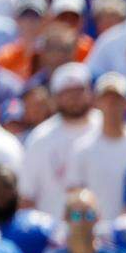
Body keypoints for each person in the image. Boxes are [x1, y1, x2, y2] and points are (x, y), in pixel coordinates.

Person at [18, 61, 100, 218]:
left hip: (105, 234)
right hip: (55, 235)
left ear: (89, 92)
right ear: (55, 98)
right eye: (67, 93)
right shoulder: (40, 138)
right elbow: (27, 195)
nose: (74, 98)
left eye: (78, 91)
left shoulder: (106, 127)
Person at [69, 72, 126, 221]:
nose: (111, 105)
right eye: (106, 99)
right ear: (96, 102)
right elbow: (75, 195)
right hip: (99, 234)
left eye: (117, 100)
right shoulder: (83, 147)